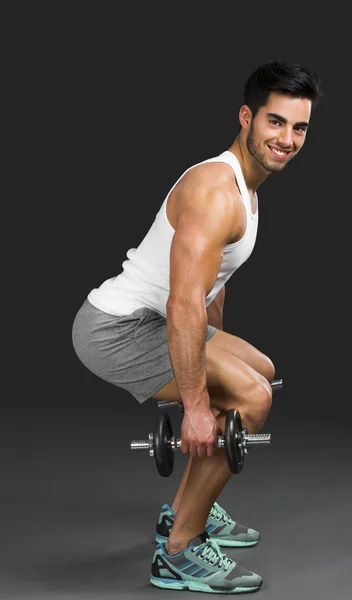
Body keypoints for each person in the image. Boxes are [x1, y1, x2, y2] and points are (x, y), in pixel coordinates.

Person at [72, 58, 323, 594]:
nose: (287, 138)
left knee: (259, 370)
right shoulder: (216, 191)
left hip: (153, 320)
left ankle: (184, 510)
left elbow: (212, 284)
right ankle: (179, 553)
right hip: (115, 330)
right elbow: (185, 302)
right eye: (275, 122)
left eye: (299, 127)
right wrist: (196, 403)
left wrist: (215, 367)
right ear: (246, 117)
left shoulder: (247, 191)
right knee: (254, 399)